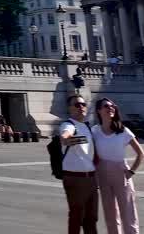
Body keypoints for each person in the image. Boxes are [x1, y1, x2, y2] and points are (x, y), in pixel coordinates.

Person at [93, 98, 144, 234]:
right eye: (106, 106)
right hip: (102, 174)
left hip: (121, 173)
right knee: (110, 214)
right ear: (99, 111)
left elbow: (140, 154)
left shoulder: (123, 131)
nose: (110, 108)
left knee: (128, 212)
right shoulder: (94, 131)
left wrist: (131, 172)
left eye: (112, 106)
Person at [59, 94, 98, 234]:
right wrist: (66, 139)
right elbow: (65, 135)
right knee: (76, 217)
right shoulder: (69, 124)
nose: (81, 107)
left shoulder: (87, 126)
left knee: (91, 218)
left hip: (91, 178)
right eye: (77, 105)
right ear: (69, 109)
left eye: (83, 104)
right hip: (76, 178)